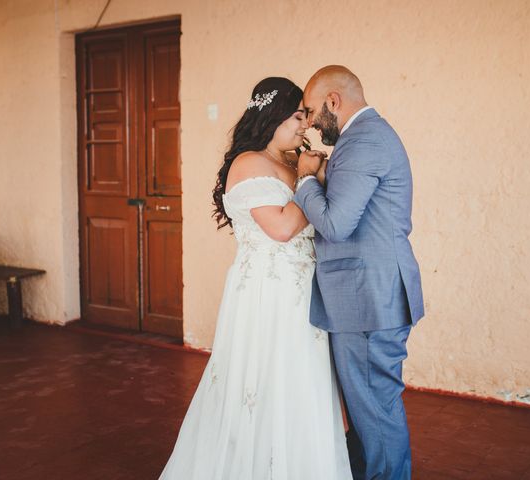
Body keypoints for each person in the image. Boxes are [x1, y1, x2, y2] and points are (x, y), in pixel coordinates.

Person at [159, 77, 352, 479]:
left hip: (302, 293)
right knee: (264, 384)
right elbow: (281, 229)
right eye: (298, 116)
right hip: (268, 294)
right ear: (272, 115)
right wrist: (308, 180)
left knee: (301, 385)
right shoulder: (249, 163)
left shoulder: (286, 162)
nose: (305, 124)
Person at [294, 65, 425, 480]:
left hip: (367, 298)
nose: (311, 124)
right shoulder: (366, 138)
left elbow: (335, 224)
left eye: (312, 112)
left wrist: (304, 183)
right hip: (369, 294)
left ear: (333, 101)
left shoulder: (362, 140)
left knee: (376, 410)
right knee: (371, 407)